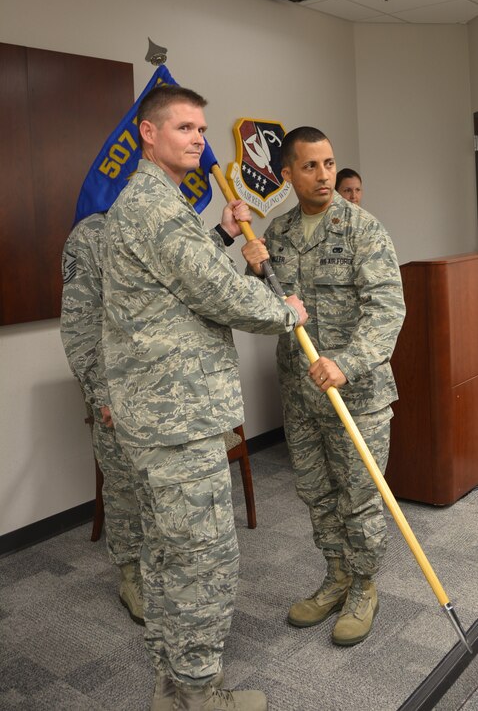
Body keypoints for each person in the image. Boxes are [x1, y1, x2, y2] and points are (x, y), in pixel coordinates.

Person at [101, 85, 308, 711]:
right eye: (186, 127)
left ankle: (172, 687)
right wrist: (284, 309)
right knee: (201, 565)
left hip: (157, 417)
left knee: (167, 560)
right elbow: (220, 296)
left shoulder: (150, 206)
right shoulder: (157, 210)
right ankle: (198, 697)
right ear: (148, 134)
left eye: (201, 128)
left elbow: (179, 287)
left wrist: (219, 238)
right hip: (178, 422)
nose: (199, 139)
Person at [242, 127, 405, 647]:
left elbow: (387, 310)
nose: (324, 176)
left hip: (356, 394)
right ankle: (335, 575)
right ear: (287, 173)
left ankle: (363, 586)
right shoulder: (279, 231)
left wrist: (348, 362)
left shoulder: (363, 229)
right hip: (301, 393)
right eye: (310, 166)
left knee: (359, 496)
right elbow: (271, 312)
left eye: (330, 164)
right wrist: (251, 275)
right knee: (315, 493)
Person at [60, 214, 145, 625]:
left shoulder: (167, 223)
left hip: (170, 392)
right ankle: (132, 577)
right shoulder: (92, 234)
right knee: (125, 486)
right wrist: (101, 393)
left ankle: (166, 569)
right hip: (118, 389)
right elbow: (80, 325)